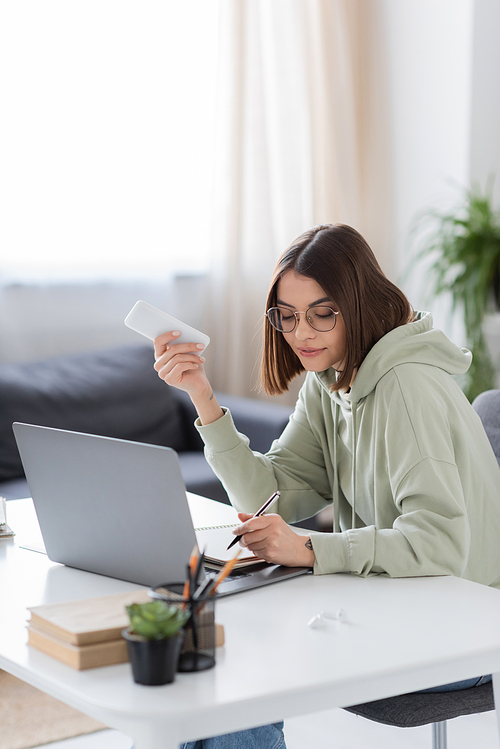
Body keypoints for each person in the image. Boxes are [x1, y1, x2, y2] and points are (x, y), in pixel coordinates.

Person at [153, 224, 500, 749]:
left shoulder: (407, 387)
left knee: (240, 661)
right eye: (287, 317)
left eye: (322, 312)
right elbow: (268, 494)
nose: (302, 334)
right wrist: (201, 395)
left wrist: (311, 547)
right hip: (395, 604)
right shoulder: (332, 383)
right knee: (216, 650)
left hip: (464, 633)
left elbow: (440, 543)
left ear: (357, 303)